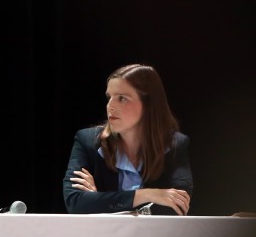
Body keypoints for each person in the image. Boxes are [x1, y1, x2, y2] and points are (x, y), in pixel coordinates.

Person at [63, 64, 192, 215]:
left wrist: (99, 200)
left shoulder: (175, 145)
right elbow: (76, 203)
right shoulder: (87, 141)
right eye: (109, 97)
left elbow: (176, 206)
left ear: (148, 104)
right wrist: (148, 194)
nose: (110, 106)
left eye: (122, 98)